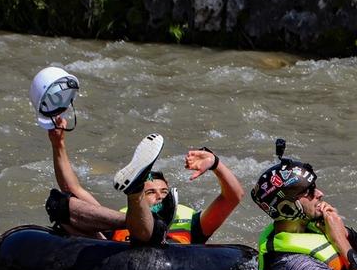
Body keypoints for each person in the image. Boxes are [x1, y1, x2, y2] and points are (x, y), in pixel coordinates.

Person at [31, 66, 243, 245]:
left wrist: (216, 163)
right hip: (120, 258)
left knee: (149, 229)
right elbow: (73, 189)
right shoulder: (114, 221)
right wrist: (57, 143)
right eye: (149, 192)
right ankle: (135, 207)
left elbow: (233, 197)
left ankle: (137, 198)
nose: (159, 196)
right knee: (59, 204)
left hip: (169, 258)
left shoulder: (192, 223)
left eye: (163, 191)